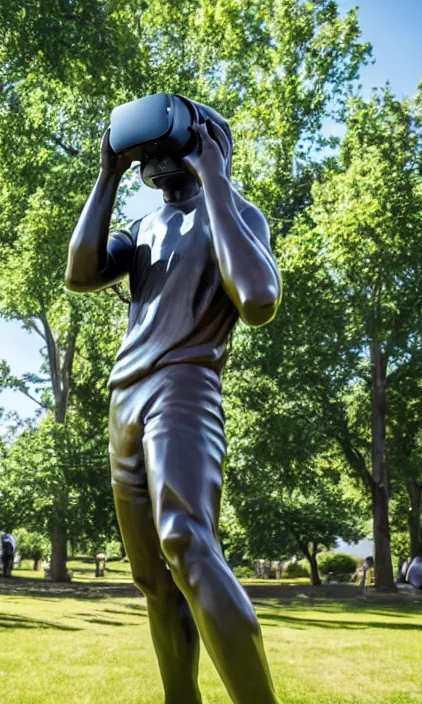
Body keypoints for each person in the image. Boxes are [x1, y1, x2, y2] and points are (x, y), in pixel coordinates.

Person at [65, 97, 282, 704]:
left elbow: (259, 299)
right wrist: (105, 174)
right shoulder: (144, 229)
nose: (153, 161)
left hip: (185, 389)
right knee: (151, 582)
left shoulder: (236, 215)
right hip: (124, 401)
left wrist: (218, 179)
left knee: (185, 540)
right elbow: (80, 273)